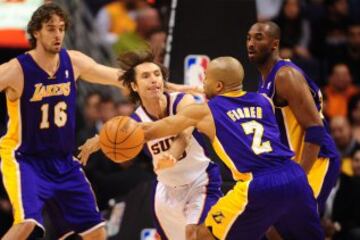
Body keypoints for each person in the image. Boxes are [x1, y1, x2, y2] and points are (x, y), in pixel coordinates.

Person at [0, 3, 196, 240]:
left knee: (96, 232)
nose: (58, 34)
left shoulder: (72, 62)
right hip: (26, 159)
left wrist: (167, 86)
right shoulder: (16, 70)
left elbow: (119, 78)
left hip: (63, 161)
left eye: (61, 28)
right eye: (51, 29)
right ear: (35, 32)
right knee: (26, 224)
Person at [140, 56, 323, 240]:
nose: (203, 82)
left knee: (203, 235)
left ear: (218, 86)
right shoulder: (264, 100)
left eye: (206, 78)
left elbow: (156, 129)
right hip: (295, 176)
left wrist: (125, 130)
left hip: (258, 184)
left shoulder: (205, 111)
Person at [78, 50, 223, 240]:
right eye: (145, 76)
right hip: (166, 189)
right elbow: (123, 141)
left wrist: (171, 155)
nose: (154, 79)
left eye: (157, 74)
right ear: (134, 86)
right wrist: (102, 140)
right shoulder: (135, 120)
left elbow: (184, 135)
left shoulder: (182, 101)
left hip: (200, 180)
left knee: (196, 234)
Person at [247, 21, 340, 213]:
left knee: (297, 225)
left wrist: (298, 177)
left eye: (258, 38)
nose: (250, 43)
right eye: (248, 38)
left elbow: (315, 129)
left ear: (274, 44)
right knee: (271, 225)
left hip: (316, 160)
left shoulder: (285, 76)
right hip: (292, 164)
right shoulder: (265, 78)